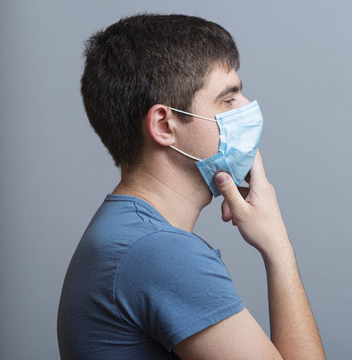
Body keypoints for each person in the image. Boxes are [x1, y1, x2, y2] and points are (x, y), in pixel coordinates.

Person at [57, 14, 326, 360]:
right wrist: (279, 249)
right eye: (228, 100)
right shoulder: (159, 253)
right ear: (164, 125)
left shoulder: (122, 233)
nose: (247, 109)